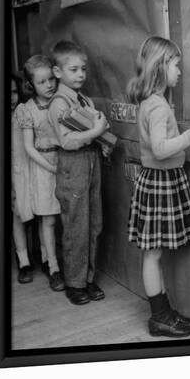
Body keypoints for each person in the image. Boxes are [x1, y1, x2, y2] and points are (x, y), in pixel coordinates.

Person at [127, 36, 190, 338]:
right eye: (176, 65)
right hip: (159, 182)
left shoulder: (155, 101)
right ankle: (159, 317)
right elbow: (161, 148)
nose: (180, 71)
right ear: (161, 66)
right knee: (153, 254)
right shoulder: (156, 105)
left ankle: (164, 312)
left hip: (159, 181)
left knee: (154, 253)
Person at [48, 41, 109, 306]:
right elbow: (68, 141)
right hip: (73, 165)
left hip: (91, 162)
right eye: (73, 69)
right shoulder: (58, 104)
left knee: (94, 223)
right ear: (58, 72)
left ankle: (88, 278)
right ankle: (74, 282)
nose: (81, 74)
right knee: (75, 226)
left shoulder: (84, 99)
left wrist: (101, 144)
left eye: (83, 69)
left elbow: (89, 136)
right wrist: (95, 132)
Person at [18, 55, 65, 292]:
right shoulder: (27, 110)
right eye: (41, 82)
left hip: (64, 161)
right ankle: (54, 268)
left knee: (63, 217)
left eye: (50, 79)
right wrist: (49, 167)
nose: (49, 85)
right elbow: (28, 146)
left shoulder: (62, 101)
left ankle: (55, 258)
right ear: (31, 85)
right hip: (42, 165)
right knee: (48, 218)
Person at [11, 74, 35, 284]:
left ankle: (47, 259)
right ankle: (23, 261)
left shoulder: (23, 111)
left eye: (14, 92)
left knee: (41, 214)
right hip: (14, 174)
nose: (10, 97)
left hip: (31, 168)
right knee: (18, 216)